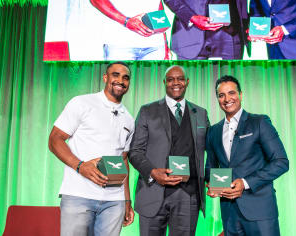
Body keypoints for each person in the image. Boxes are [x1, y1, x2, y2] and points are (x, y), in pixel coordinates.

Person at [48, 62, 135, 236]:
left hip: (114, 201)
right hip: (79, 195)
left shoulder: (129, 119)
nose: (120, 80)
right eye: (115, 75)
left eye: (125, 77)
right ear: (105, 78)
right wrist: (80, 166)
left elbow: (123, 160)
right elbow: (54, 140)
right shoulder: (82, 103)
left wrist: (126, 200)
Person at [128, 65, 210, 235]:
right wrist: (152, 172)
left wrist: (215, 179)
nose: (176, 83)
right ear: (164, 82)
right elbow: (135, 151)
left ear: (187, 82)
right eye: (171, 79)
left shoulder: (201, 113)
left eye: (180, 78)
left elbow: (212, 149)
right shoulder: (147, 110)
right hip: (153, 192)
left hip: (188, 194)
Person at [205, 75, 289, 235]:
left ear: (240, 95)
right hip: (229, 213)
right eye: (221, 95)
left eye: (231, 93)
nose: (227, 99)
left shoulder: (259, 122)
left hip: (260, 211)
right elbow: (210, 167)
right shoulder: (213, 131)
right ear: (217, 98)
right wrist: (212, 184)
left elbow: (281, 162)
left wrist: (245, 183)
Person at [163, 0, 249, 60]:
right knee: (192, 83)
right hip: (190, 32)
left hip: (230, 33)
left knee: (230, 83)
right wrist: (191, 17)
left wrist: (251, 22)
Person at [89, 0, 168, 60]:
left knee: (154, 82)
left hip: (155, 46)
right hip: (120, 45)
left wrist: (165, 46)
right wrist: (125, 21)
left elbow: (158, 9)